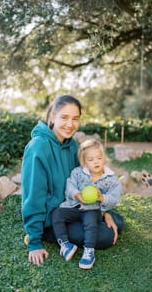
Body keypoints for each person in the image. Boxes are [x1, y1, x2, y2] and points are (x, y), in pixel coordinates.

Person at [21, 94, 124, 265]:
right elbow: (33, 197)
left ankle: (102, 217)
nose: (70, 124)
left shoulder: (72, 145)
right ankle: (44, 234)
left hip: (75, 206)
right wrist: (34, 243)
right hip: (53, 218)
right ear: (52, 117)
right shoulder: (37, 148)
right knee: (105, 237)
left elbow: (85, 181)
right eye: (64, 117)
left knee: (116, 222)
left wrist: (104, 213)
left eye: (75, 118)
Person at [51, 139, 122, 269]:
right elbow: (70, 185)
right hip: (75, 207)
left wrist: (102, 198)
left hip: (93, 210)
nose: (96, 162)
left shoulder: (111, 179)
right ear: (84, 162)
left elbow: (115, 197)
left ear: (104, 158)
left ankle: (89, 251)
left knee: (90, 223)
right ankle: (66, 244)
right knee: (57, 214)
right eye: (91, 159)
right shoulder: (78, 173)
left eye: (99, 158)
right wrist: (77, 194)